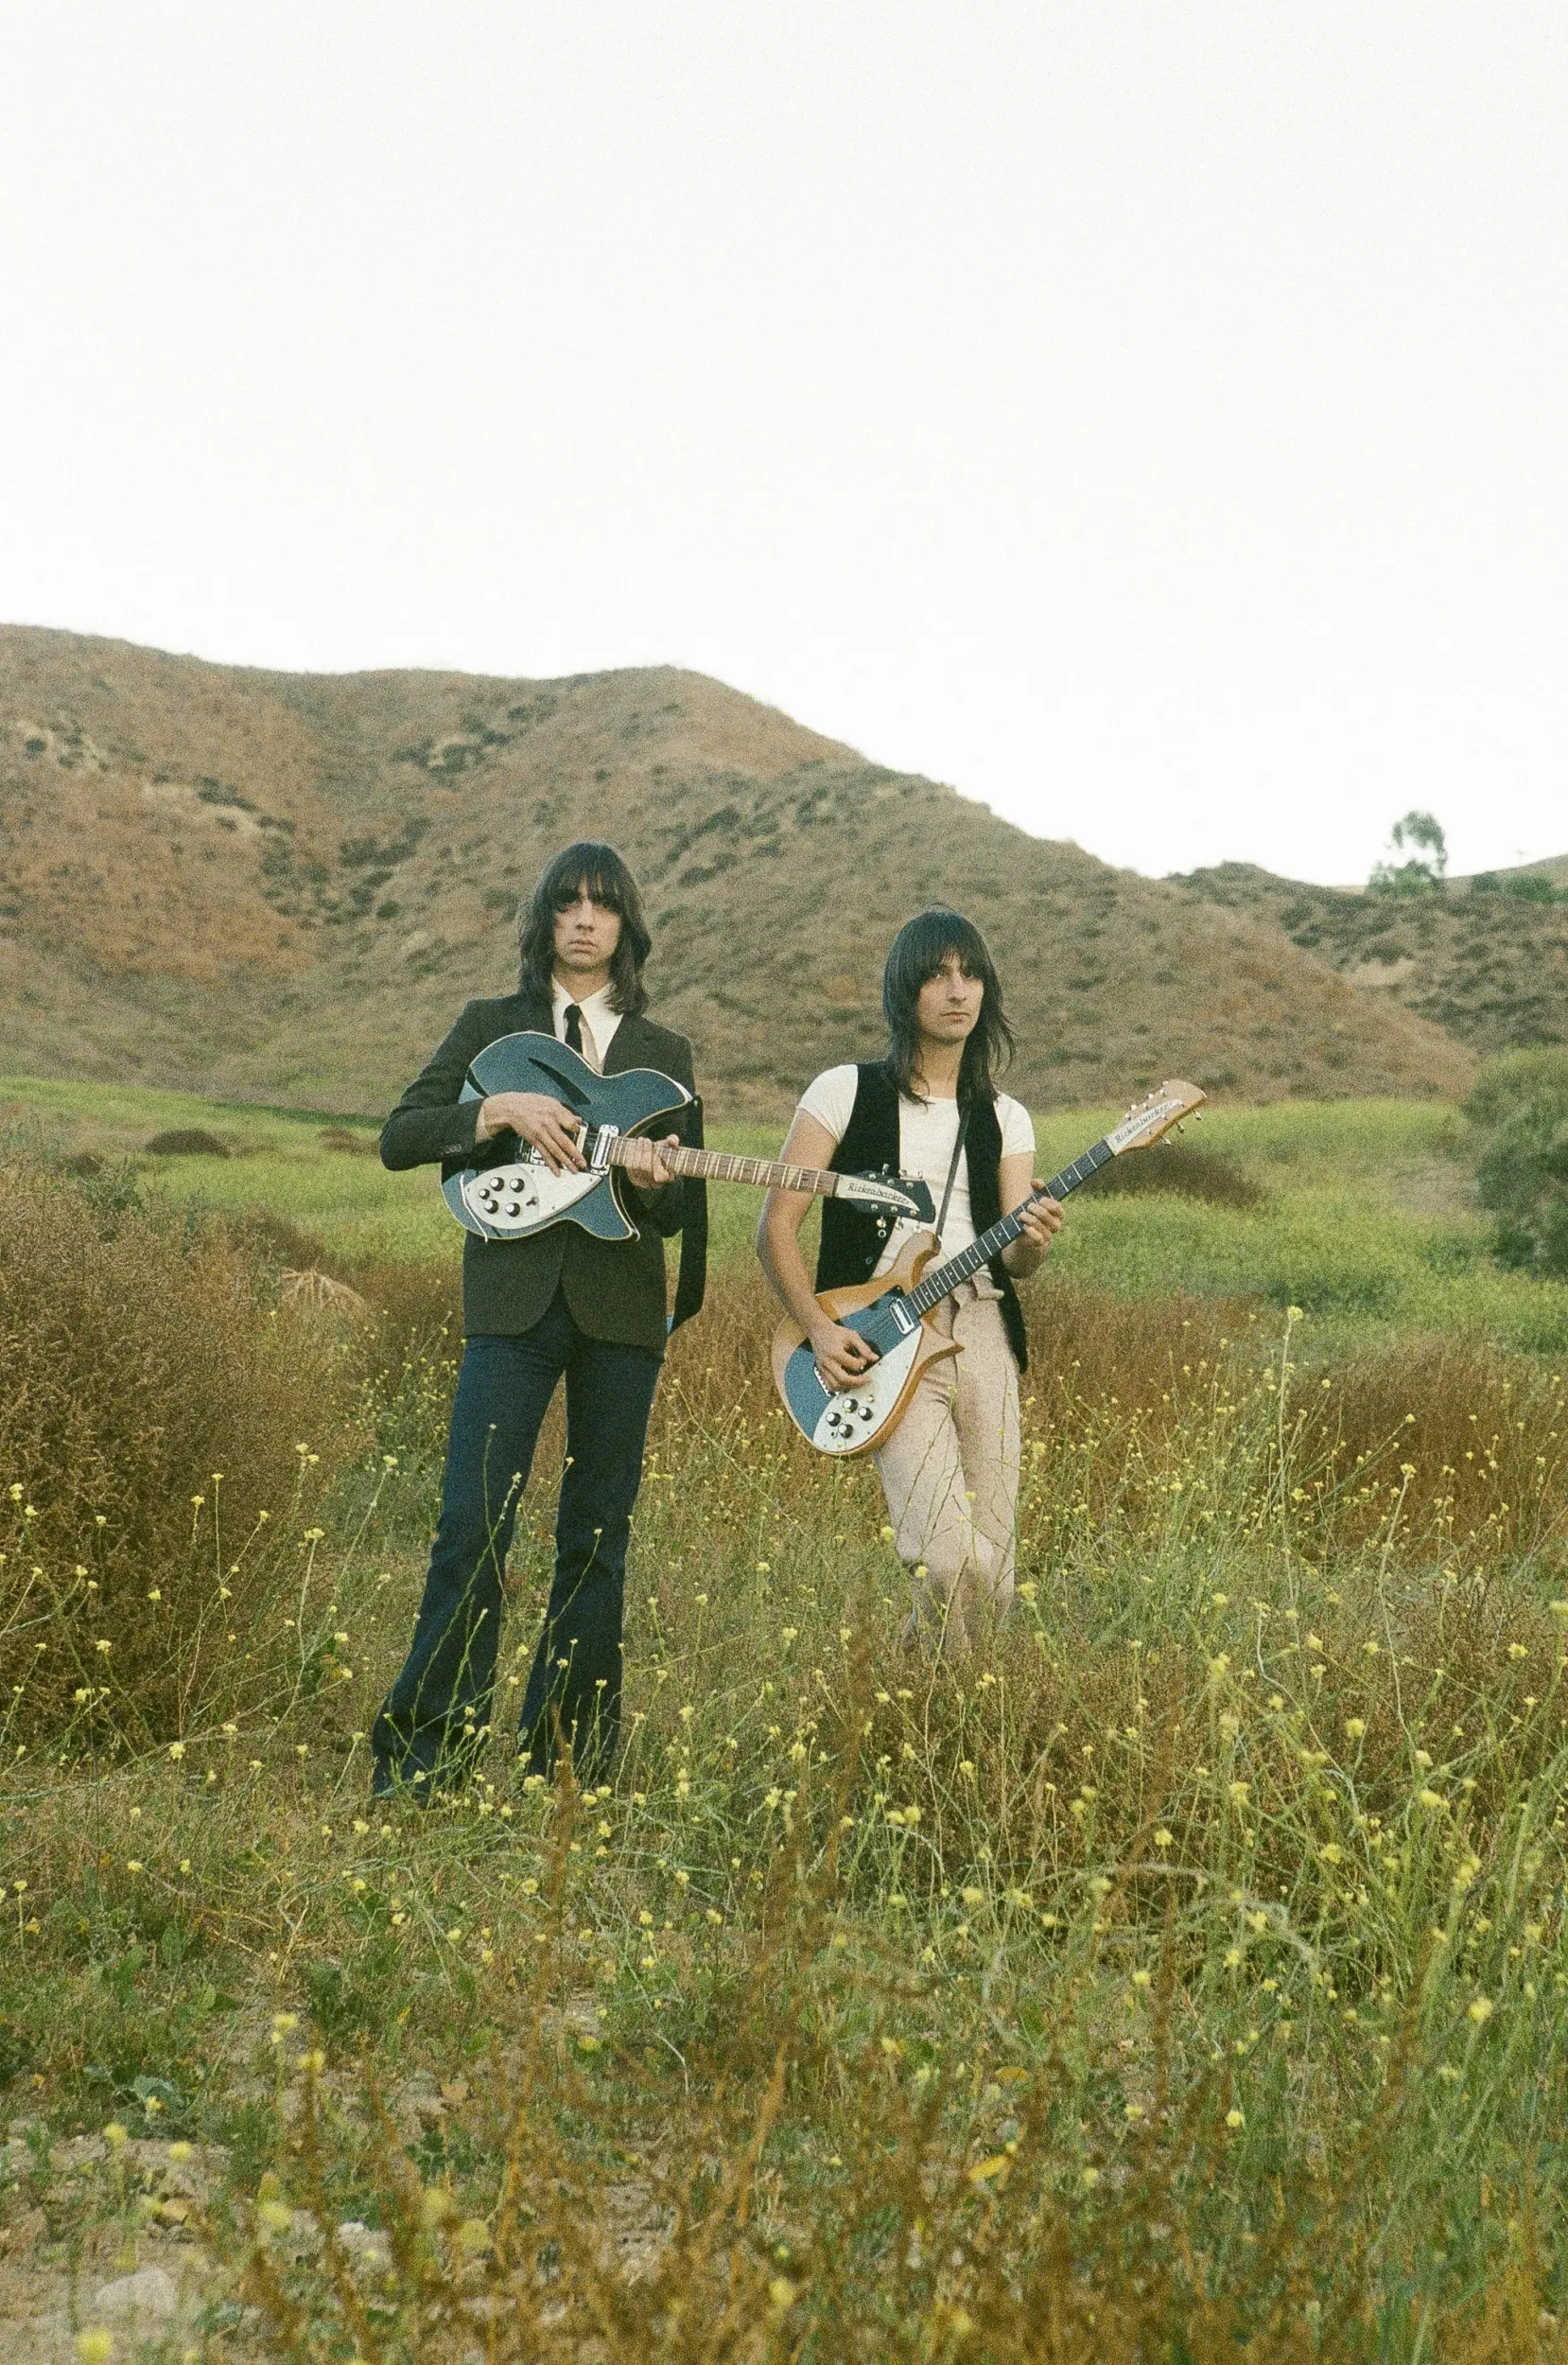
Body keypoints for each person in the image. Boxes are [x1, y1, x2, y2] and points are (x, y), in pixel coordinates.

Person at [370, 841, 705, 1798]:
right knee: (471, 1522)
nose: (585, 919)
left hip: (620, 1311)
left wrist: (653, 1179)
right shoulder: (490, 1028)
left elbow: (682, 1212)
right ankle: (424, 1761)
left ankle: (567, 1763)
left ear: (626, 926)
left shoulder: (662, 1053)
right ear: (545, 920)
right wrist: (493, 1108)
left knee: (597, 1536)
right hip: (511, 1304)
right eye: (568, 903)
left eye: (603, 905)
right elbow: (401, 1134)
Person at [758, 908, 1061, 1655]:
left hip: (984, 1321)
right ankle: (932, 1694)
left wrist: (1034, 1243)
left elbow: (1018, 1259)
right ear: (905, 992)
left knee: (994, 1564)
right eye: (936, 974)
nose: (957, 991)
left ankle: (942, 1712)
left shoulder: (1006, 1117)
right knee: (948, 1558)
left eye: (971, 974)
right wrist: (822, 1333)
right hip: (884, 1335)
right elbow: (775, 1228)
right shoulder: (843, 1091)